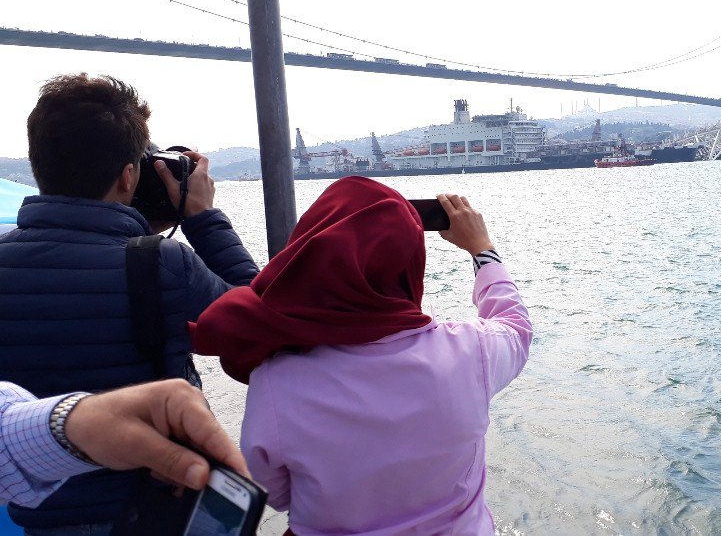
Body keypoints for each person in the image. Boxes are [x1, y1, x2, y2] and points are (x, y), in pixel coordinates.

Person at [192, 177, 532, 535]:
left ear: (307, 255)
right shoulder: (471, 352)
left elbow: (274, 492)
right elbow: (516, 326)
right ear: (411, 263)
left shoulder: (277, 381)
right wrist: (481, 248)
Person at [0, 74, 259, 534]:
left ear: (39, 164)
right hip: (148, 511)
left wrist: (132, 227)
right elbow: (260, 321)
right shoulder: (162, 264)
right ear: (128, 174)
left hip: (37, 512)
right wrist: (203, 218)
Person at [0, 379, 249, 507]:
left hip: (48, 507)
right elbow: (224, 304)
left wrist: (69, 424)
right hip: (146, 487)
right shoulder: (165, 276)